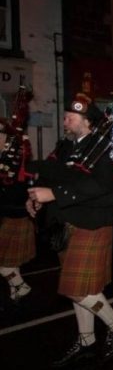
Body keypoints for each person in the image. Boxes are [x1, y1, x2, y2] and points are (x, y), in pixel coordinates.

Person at [26, 93, 113, 366]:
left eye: (70, 117)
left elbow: (101, 186)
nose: (65, 121)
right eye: (65, 116)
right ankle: (87, 339)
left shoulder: (105, 146)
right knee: (81, 289)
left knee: (76, 289)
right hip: (67, 225)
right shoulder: (66, 147)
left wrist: (54, 194)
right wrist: (36, 198)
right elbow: (53, 175)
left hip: (92, 224)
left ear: (87, 122)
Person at [0, 117, 35, 304]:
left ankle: (21, 286)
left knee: (5, 264)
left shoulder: (16, 158)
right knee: (10, 263)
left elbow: (19, 189)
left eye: (1, 134)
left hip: (16, 215)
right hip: (5, 215)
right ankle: (16, 291)